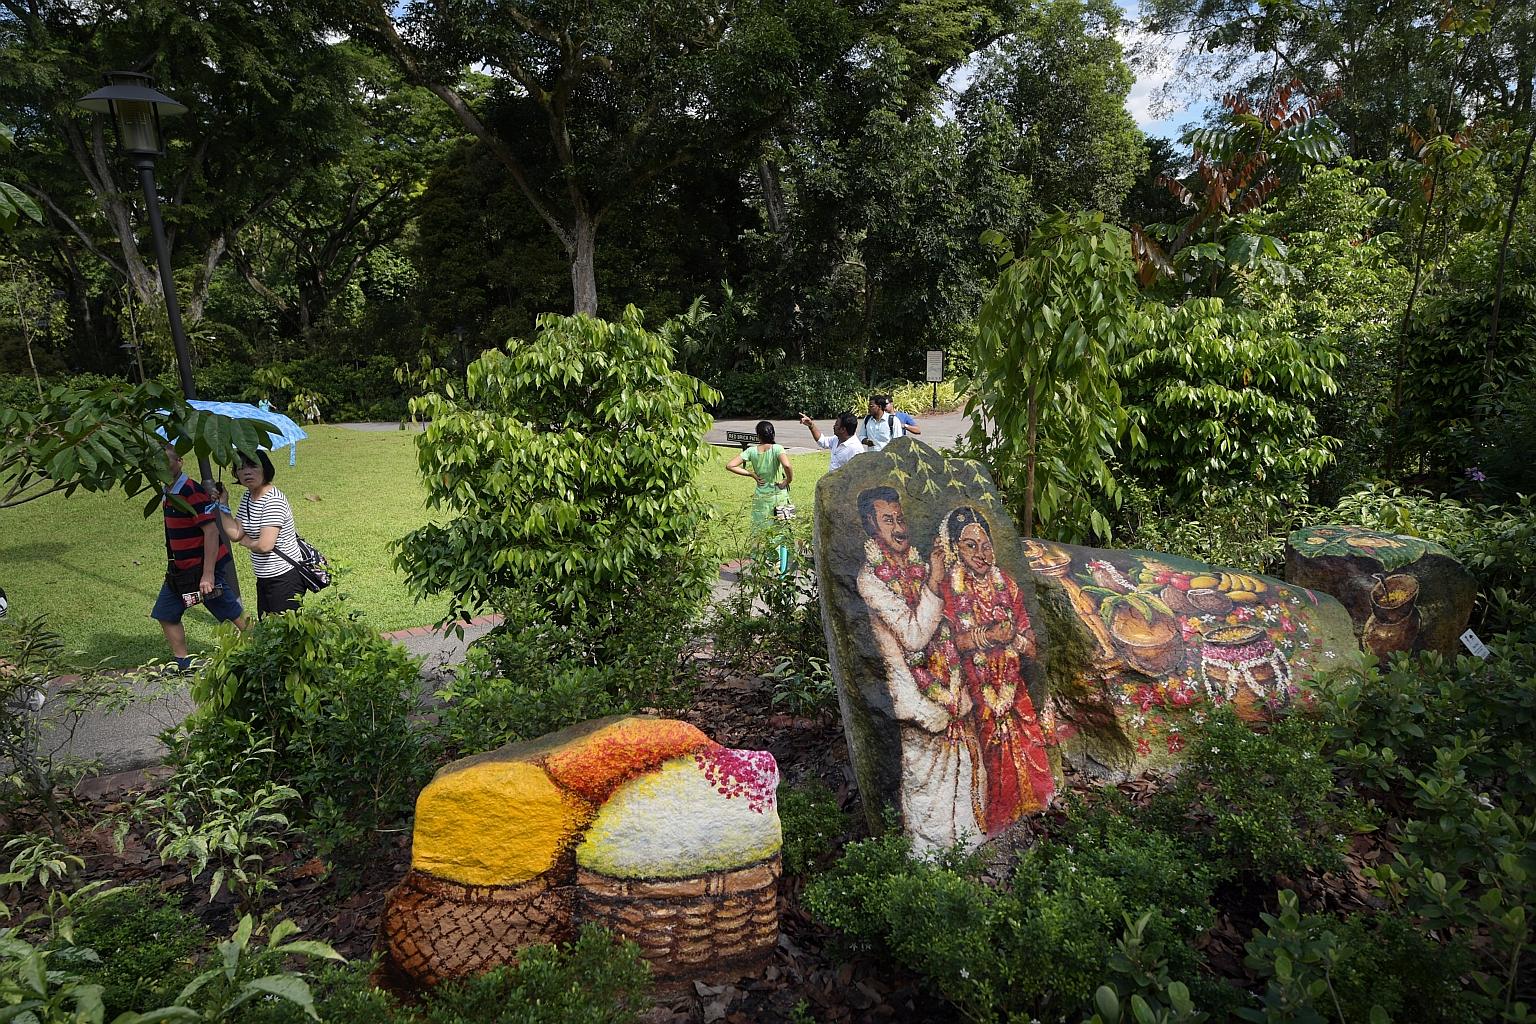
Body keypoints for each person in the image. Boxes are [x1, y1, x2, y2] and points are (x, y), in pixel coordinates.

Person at [854, 486, 985, 853]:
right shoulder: (870, 580)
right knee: (927, 794)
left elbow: (949, 622)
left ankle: (971, 853)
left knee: (969, 781)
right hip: (918, 706)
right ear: (870, 526)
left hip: (953, 694)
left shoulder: (920, 564)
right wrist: (934, 580)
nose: (899, 527)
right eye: (888, 520)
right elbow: (914, 636)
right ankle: (931, 865)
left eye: (901, 518)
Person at [916, 506, 1054, 833]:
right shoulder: (948, 587)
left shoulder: (1006, 582)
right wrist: (987, 636)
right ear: (955, 550)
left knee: (1029, 744)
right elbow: (946, 643)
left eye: (986, 545)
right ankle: (997, 826)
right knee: (990, 759)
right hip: (973, 690)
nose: (982, 553)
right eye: (970, 546)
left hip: (1012, 686)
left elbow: (1032, 647)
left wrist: (1017, 641)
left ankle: (1038, 810)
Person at [151, 444, 245, 670]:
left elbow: (211, 531)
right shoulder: (169, 491)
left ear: (180, 462)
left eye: (167, 462)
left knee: (232, 614)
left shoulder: (190, 491)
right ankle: (184, 663)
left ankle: (261, 648)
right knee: (166, 612)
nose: (162, 467)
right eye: (157, 464)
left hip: (202, 568)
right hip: (180, 571)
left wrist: (208, 574)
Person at [215, 450, 307, 617]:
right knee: (269, 632)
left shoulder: (273, 500)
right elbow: (235, 533)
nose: (247, 472)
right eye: (241, 467)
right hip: (265, 577)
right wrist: (223, 504)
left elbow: (265, 545)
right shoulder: (249, 497)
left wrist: (247, 542)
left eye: (253, 466)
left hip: (285, 577)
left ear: (266, 469)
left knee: (287, 634)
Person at [726, 420, 794, 530]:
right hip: (778, 495)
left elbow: (730, 465)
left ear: (758, 436)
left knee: (760, 529)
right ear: (773, 434)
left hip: (760, 497)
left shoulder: (751, 451)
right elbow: (787, 465)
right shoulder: (777, 448)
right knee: (782, 529)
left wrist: (752, 474)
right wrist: (788, 480)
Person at [798, 410, 863, 472]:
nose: (833, 426)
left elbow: (859, 474)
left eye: (836, 425)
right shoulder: (837, 439)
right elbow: (822, 441)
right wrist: (811, 425)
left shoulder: (856, 450)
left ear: (843, 429)